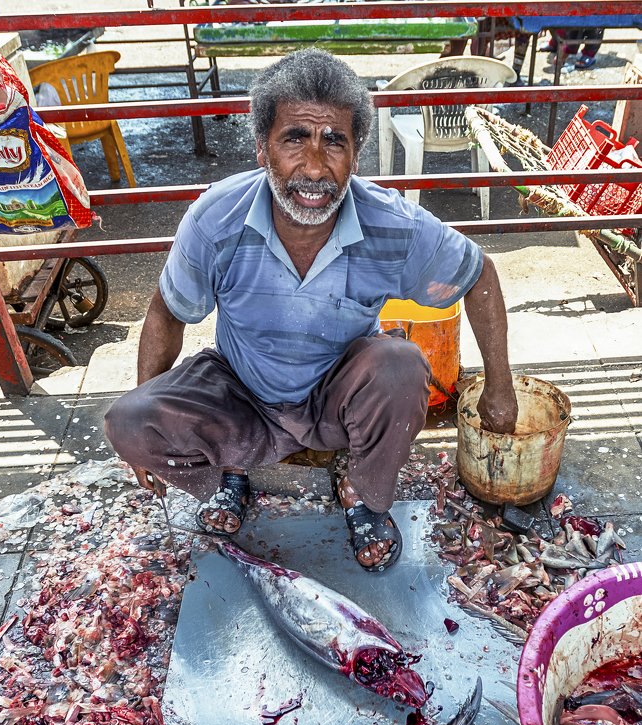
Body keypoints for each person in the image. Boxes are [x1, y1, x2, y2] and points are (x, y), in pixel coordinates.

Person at [105, 49, 518, 573]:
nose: (316, 166)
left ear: (356, 154)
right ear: (262, 149)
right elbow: (167, 312)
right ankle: (229, 471)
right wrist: (151, 401)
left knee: (400, 365)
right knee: (130, 421)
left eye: (335, 142)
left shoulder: (392, 224)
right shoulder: (215, 218)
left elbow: (478, 275)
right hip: (243, 394)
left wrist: (500, 388)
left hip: (335, 403)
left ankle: (362, 492)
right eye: (295, 138)